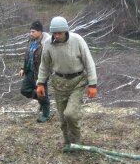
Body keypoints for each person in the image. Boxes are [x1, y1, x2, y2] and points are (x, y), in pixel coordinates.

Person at [36, 16, 97, 152]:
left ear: (65, 31)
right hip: (59, 82)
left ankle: (76, 141)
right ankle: (67, 143)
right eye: (54, 33)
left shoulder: (77, 40)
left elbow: (89, 62)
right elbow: (44, 65)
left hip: (78, 81)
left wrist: (93, 84)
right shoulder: (47, 44)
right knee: (63, 118)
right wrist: (40, 83)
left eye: (59, 33)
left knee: (70, 114)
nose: (57, 36)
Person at [19, 21, 52, 122]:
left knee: (42, 94)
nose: (31, 34)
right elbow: (27, 56)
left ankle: (46, 115)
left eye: (33, 32)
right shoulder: (31, 41)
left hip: (40, 74)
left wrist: (44, 76)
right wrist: (23, 68)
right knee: (24, 90)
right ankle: (42, 102)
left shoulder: (46, 43)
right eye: (30, 32)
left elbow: (48, 61)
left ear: (40, 31)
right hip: (29, 73)